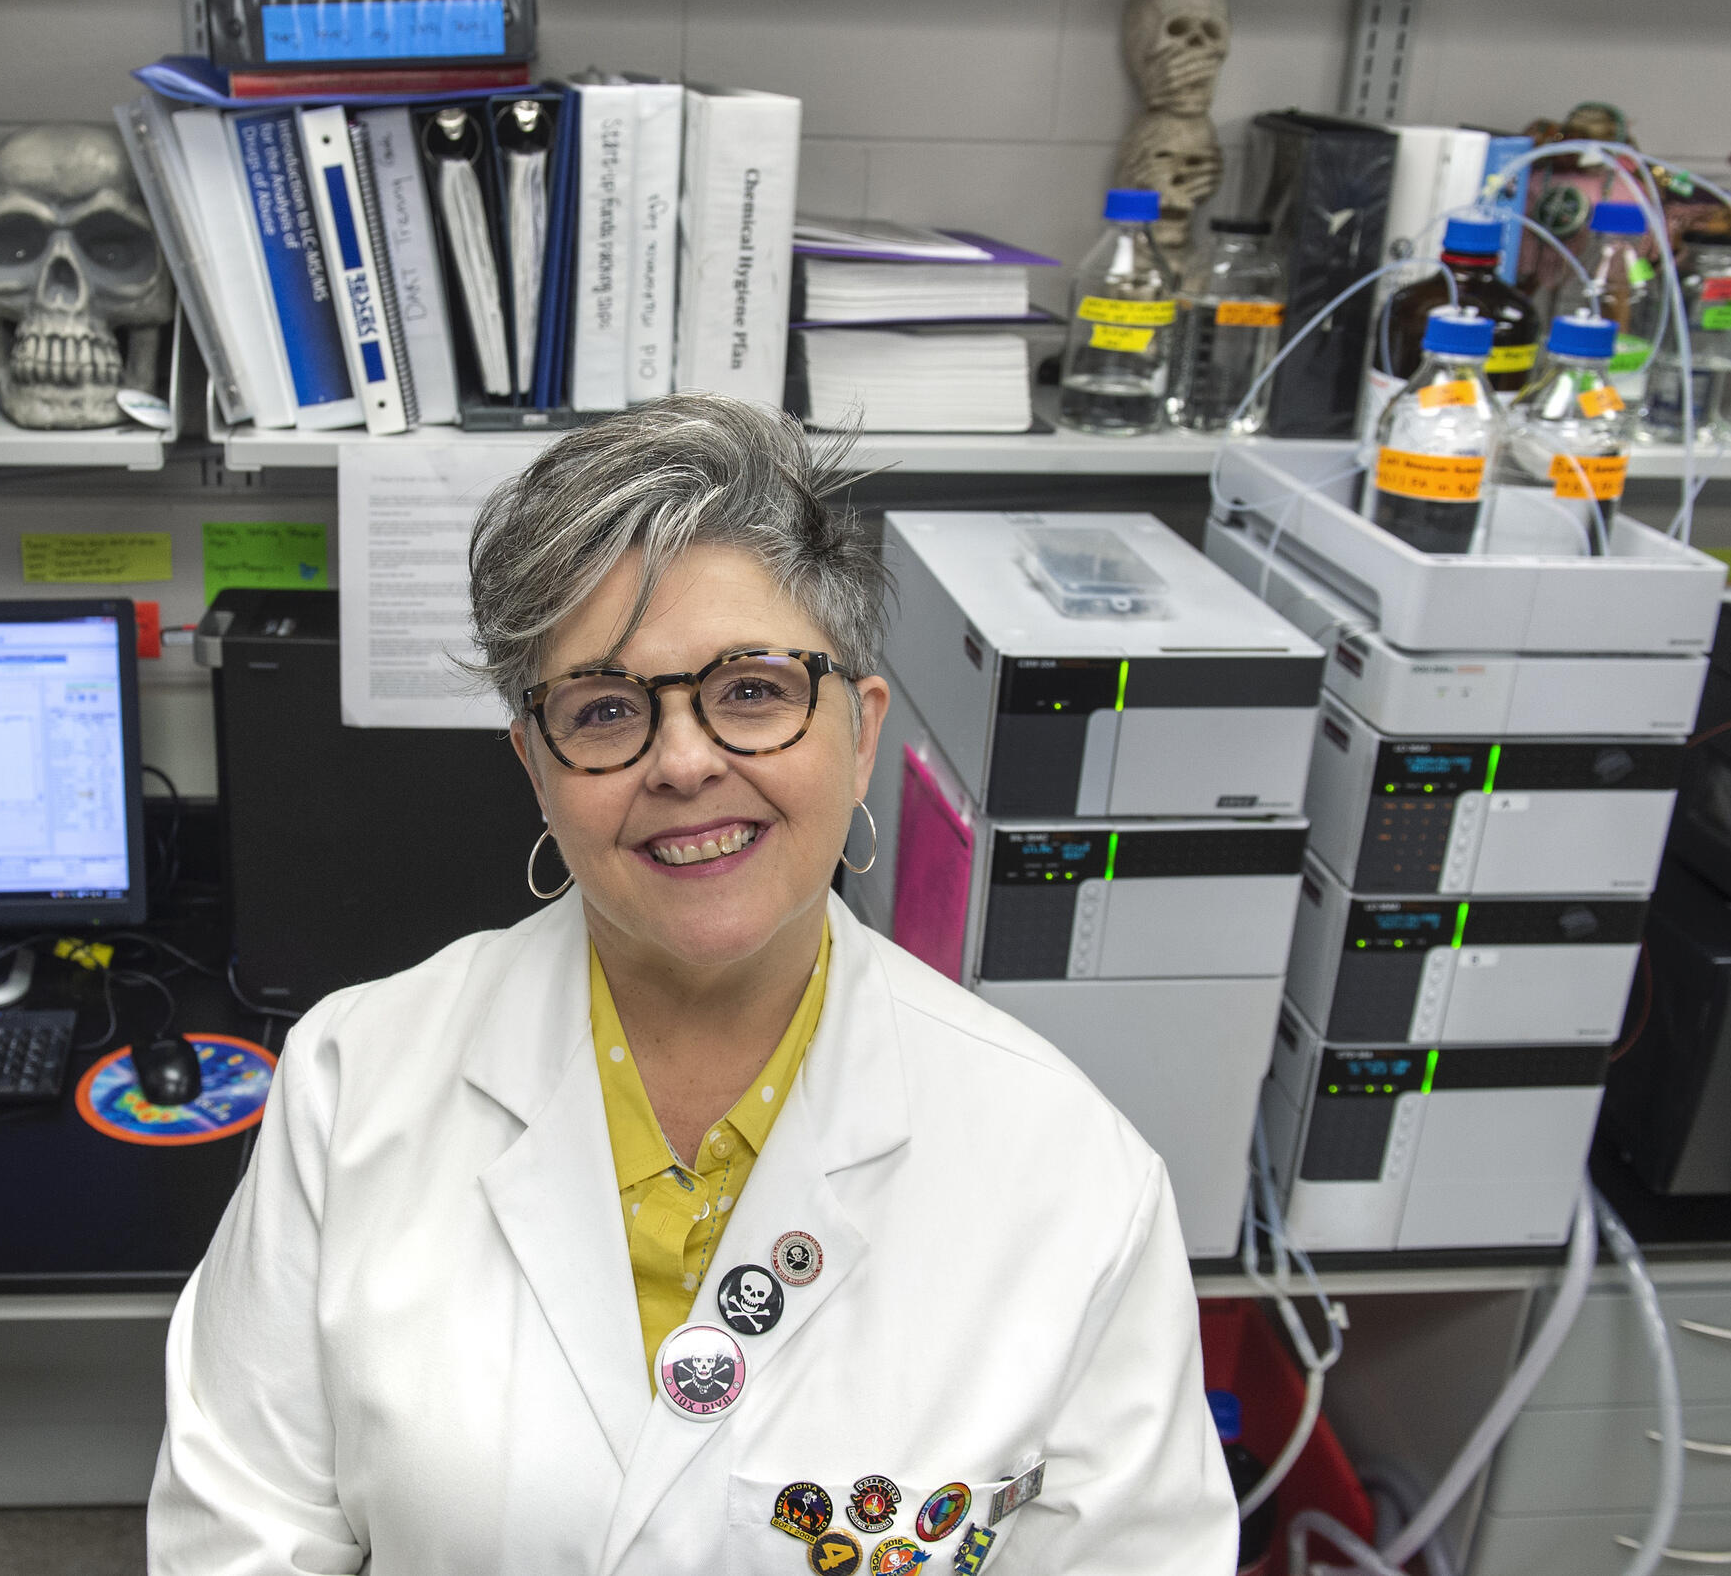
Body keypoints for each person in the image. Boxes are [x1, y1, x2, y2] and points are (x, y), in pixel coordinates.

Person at [149, 395, 1233, 1576]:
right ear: (537, 766)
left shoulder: (1072, 1175)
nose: (682, 760)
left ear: (859, 731)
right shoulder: (352, 1083)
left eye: (753, 689)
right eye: (605, 710)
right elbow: (238, 1541)